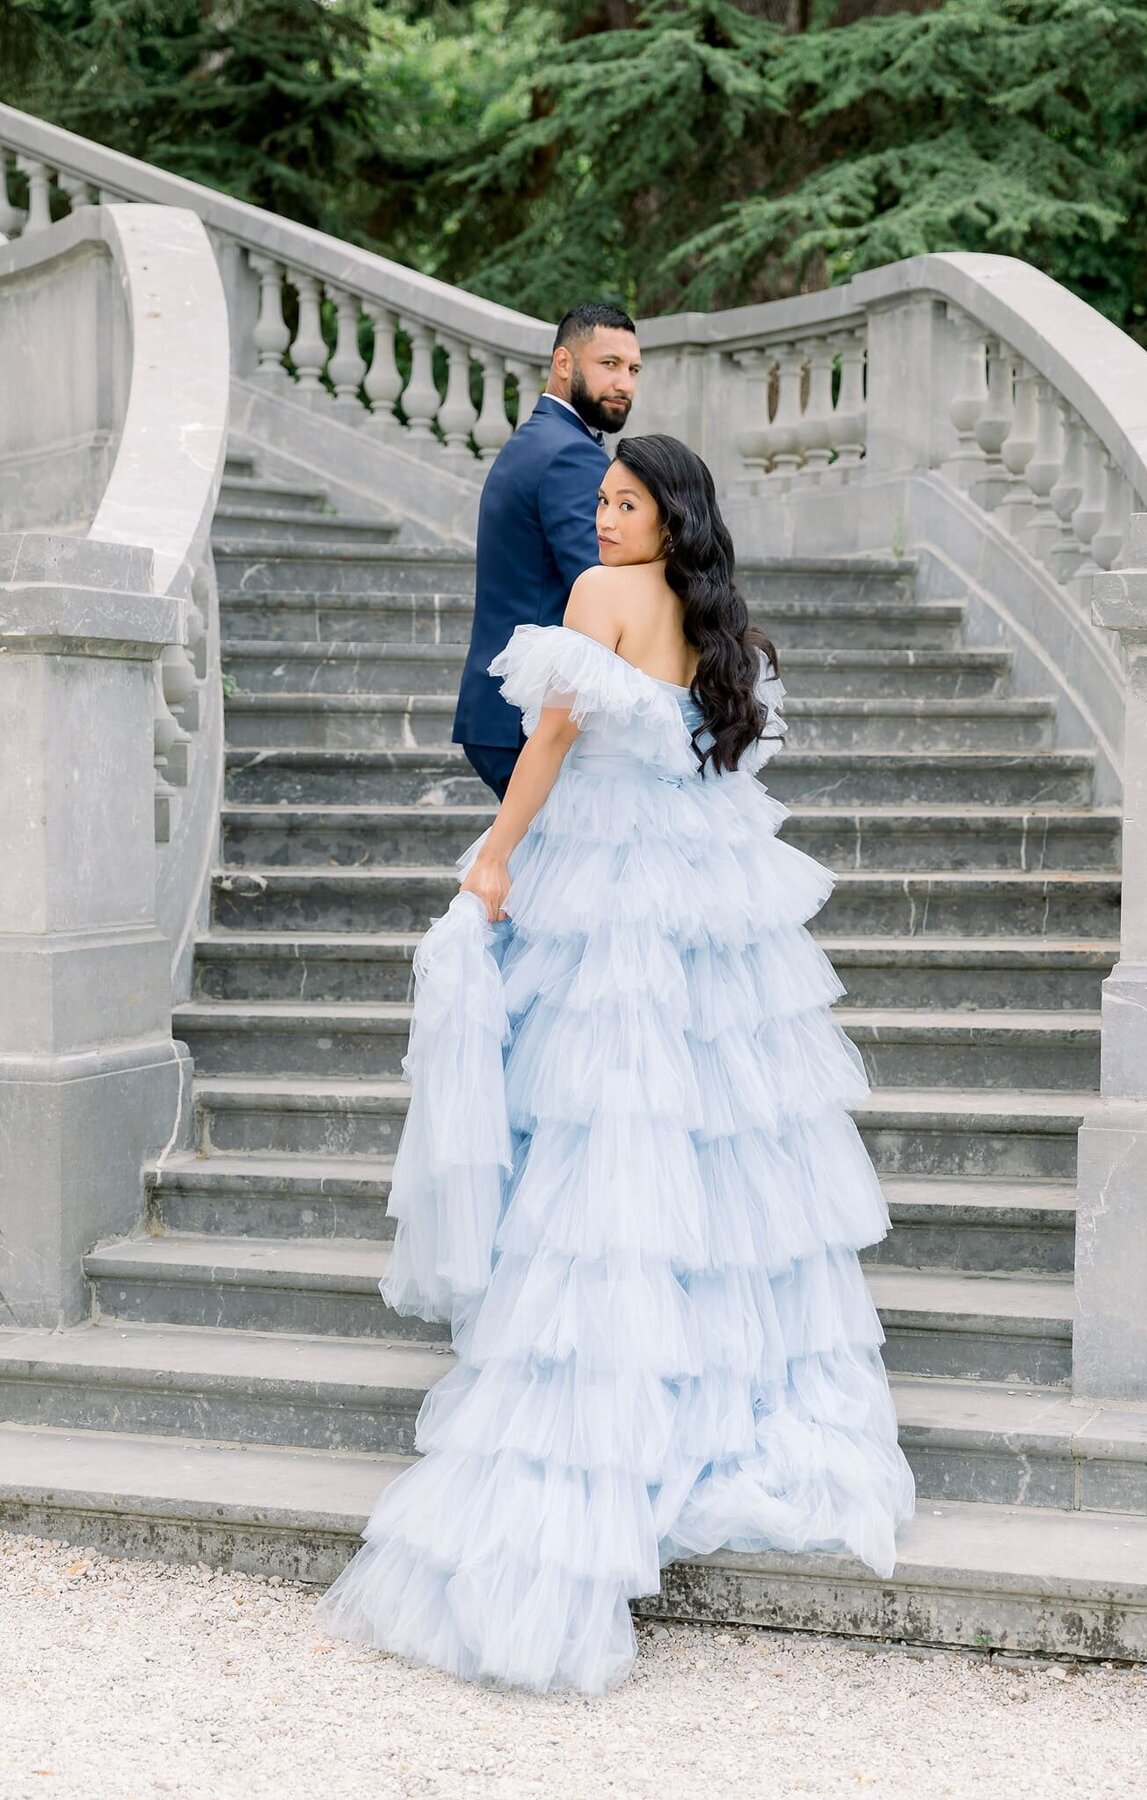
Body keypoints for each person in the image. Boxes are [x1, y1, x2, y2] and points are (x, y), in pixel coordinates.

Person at [315, 434, 915, 1693]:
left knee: (607, 1140)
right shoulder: (721, 627)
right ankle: (712, 1394)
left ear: (669, 514)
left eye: (625, 503)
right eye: (598, 503)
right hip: (707, 897)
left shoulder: (597, 603)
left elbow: (546, 744)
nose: (601, 522)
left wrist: (492, 857)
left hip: (614, 898)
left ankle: (595, 1433)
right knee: (713, 1149)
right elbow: (718, 770)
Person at [451, 301, 641, 800]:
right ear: (563, 364)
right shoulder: (569, 454)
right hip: (527, 717)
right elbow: (599, 579)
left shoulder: (540, 441)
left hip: (507, 710)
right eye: (609, 365)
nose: (624, 382)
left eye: (633, 369)